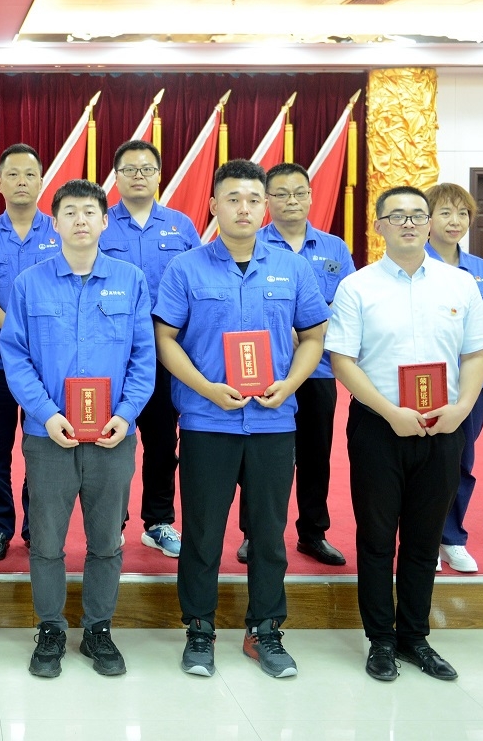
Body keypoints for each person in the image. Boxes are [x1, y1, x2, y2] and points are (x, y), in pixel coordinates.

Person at [153, 159, 329, 679]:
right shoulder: (185, 268)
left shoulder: (293, 268)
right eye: (233, 199)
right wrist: (206, 388)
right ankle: (199, 631)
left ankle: (266, 630)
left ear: (265, 206)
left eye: (253, 199)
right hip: (207, 420)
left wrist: (289, 384)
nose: (244, 208)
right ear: (213, 206)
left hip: (274, 421)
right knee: (203, 532)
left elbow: (314, 336)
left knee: (269, 534)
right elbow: (165, 339)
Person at [327, 185, 483, 682]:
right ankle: (380, 640)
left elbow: (475, 352)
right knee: (377, 538)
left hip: (443, 427)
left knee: (424, 540)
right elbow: (343, 359)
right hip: (378, 428)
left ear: (428, 224)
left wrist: (461, 409)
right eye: (397, 215)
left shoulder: (459, 284)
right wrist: (388, 412)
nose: (409, 223)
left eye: (417, 215)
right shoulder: (357, 286)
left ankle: (415, 637)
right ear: (378, 225)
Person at [0, 179, 156, 679]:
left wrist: (125, 414)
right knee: (46, 540)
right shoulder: (30, 283)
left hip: (113, 435)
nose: (81, 220)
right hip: (49, 435)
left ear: (105, 221)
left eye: (90, 211)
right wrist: (46, 413)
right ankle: (50, 628)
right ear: (56, 223)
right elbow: (16, 357)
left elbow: (143, 356)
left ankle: (98, 629)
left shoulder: (131, 279)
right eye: (69, 212)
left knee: (107, 539)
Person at [236, 163, 355, 567]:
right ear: (267, 200)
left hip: (318, 370)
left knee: (315, 455)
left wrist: (308, 328)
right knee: (260, 456)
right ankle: (254, 534)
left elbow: (347, 304)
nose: (292, 200)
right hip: (263, 372)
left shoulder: (334, 248)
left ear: (310, 196)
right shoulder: (252, 242)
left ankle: (312, 533)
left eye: (300, 192)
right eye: (282, 193)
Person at [98, 140, 200, 558]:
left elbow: (197, 283)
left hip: (164, 352)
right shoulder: (100, 222)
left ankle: (158, 522)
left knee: (161, 441)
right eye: (129, 169)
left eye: (146, 169)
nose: (138, 175)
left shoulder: (181, 225)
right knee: (111, 437)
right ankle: (112, 520)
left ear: (159, 175)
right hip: (111, 351)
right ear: (116, 176)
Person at [0, 143, 61, 561]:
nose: (22, 181)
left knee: (40, 447)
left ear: (41, 183)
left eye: (30, 174)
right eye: (13, 174)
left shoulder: (58, 232)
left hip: (47, 363)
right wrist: (19, 331)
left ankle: (36, 527)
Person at [425, 182, 483, 574]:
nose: (455, 221)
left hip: (472, 384)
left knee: (461, 460)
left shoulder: (479, 269)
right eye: (445, 212)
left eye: (462, 213)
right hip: (426, 381)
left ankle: (451, 539)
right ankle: (423, 539)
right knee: (425, 462)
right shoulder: (414, 262)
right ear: (427, 219)